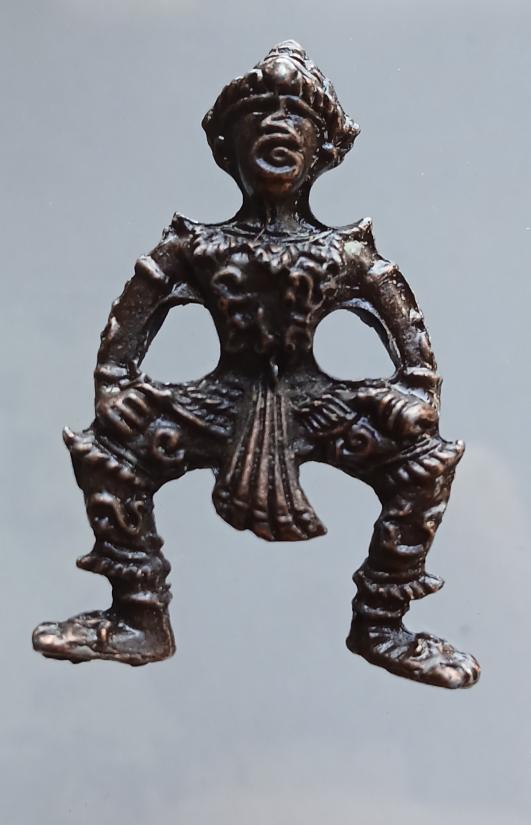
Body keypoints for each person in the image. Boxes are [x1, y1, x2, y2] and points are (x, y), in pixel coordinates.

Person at [33, 41, 479, 688]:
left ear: (323, 151)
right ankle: (138, 614)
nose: (276, 125)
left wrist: (411, 396)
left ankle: (382, 622)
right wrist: (115, 388)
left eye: (296, 116)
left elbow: (415, 358)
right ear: (226, 148)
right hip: (218, 403)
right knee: (108, 447)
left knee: (423, 461)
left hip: (315, 404)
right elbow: (124, 338)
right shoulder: (193, 247)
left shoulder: (347, 254)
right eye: (257, 115)